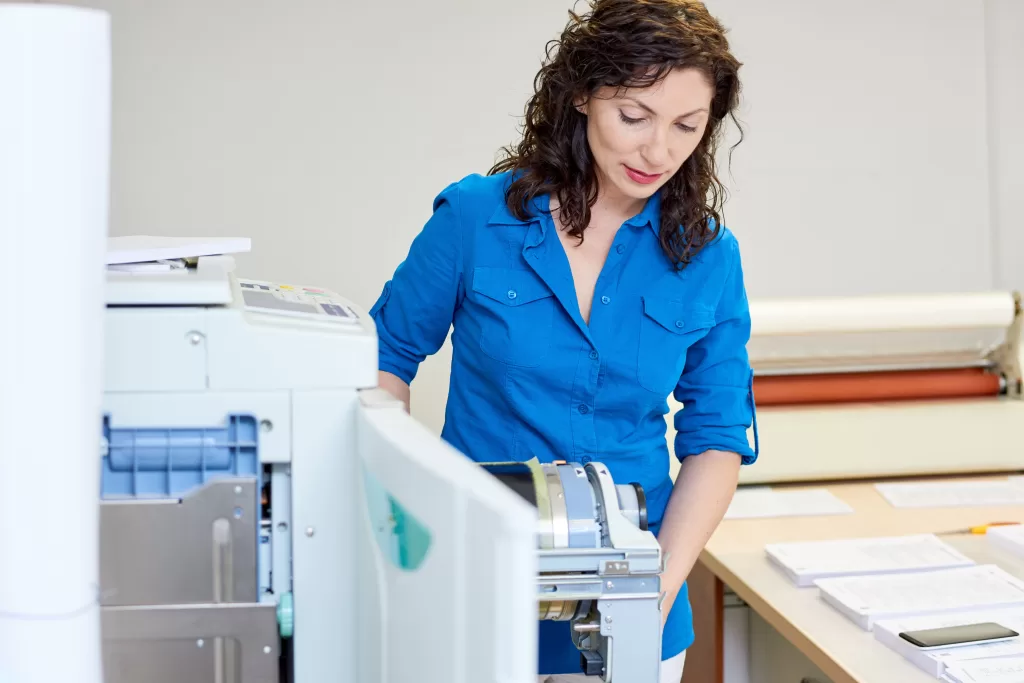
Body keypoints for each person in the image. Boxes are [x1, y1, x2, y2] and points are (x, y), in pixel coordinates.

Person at [370, 0, 759, 680]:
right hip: (477, 588)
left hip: (636, 600)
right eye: (634, 116)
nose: (659, 151)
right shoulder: (475, 218)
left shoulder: (708, 255)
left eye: (686, 126)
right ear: (582, 93)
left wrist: (652, 594)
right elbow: (384, 359)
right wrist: (403, 516)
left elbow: (718, 437)